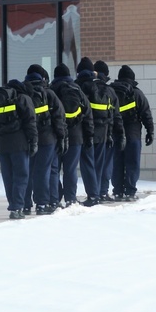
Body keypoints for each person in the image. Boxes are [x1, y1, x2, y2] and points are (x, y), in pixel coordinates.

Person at [0, 79, 38, 220]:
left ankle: (13, 204)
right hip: (19, 143)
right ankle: (17, 207)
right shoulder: (23, 98)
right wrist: (33, 141)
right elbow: (30, 122)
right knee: (21, 176)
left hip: (1, 143)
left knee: (8, 176)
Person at [22, 64, 67, 215]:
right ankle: (43, 203)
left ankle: (25, 204)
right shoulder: (49, 93)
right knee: (45, 171)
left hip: (27, 139)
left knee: (27, 172)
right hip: (47, 139)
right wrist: (61, 137)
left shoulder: (21, 93)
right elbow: (59, 117)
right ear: (42, 78)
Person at [50, 64, 94, 208]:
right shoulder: (77, 90)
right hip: (76, 137)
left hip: (55, 136)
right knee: (70, 169)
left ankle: (55, 198)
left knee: (54, 169)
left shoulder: (51, 90)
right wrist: (88, 136)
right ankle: (70, 199)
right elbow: (88, 115)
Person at [110, 65, 154, 201]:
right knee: (132, 163)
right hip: (133, 133)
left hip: (115, 132)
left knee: (117, 162)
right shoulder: (137, 93)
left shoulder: (111, 91)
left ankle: (117, 191)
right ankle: (130, 191)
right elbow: (146, 114)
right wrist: (150, 131)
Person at [93, 61, 125, 202]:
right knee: (106, 164)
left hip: (88, 133)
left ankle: (94, 191)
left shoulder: (86, 87)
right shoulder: (109, 91)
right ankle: (103, 192)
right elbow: (117, 115)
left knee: (92, 164)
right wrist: (121, 134)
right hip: (107, 133)